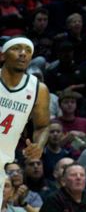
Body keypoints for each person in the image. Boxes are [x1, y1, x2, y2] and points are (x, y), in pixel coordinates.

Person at [0, 38, 51, 166]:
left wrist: (38, 145)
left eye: (28, 51)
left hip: (5, 158)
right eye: (16, 48)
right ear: (2, 55)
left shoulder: (38, 89)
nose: (23, 53)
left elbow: (43, 126)